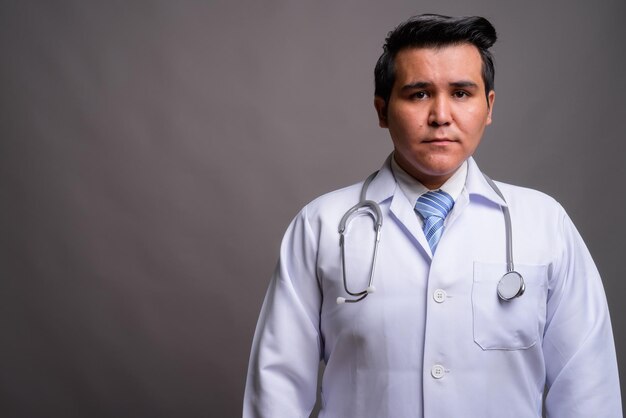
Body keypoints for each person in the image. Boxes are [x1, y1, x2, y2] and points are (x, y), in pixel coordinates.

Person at [243, 14, 622, 417]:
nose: (441, 115)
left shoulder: (546, 225)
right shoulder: (320, 226)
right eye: (419, 94)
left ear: (488, 106)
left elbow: (588, 392)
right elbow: (277, 392)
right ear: (383, 110)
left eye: (461, 93)